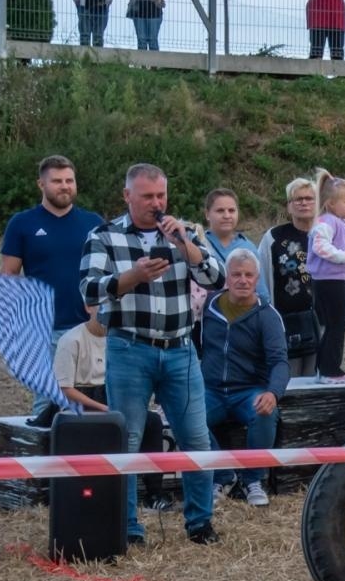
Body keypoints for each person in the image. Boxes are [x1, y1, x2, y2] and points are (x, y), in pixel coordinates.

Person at [80, 162, 225, 547]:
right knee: (126, 440)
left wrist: (186, 245)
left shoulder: (186, 233)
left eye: (161, 195)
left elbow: (217, 280)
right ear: (127, 196)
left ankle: (200, 523)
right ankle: (128, 526)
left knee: (196, 439)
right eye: (147, 196)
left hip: (180, 349)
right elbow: (90, 291)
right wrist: (133, 277)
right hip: (130, 348)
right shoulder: (104, 236)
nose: (156, 203)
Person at [1, 155, 105, 418]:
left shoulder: (93, 223)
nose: (64, 186)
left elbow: (107, 273)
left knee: (95, 398)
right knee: (48, 403)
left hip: (90, 329)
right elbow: (9, 275)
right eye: (57, 181)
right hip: (45, 330)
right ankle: (46, 456)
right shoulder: (22, 224)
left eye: (69, 180)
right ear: (41, 184)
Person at [53, 306, 170, 509]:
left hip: (112, 394)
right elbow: (64, 389)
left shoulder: (122, 341)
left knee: (151, 422)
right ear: (89, 308)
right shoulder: (71, 340)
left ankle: (154, 493)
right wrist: (104, 408)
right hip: (81, 403)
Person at [202, 249, 289, 505]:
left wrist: (273, 392)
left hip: (248, 390)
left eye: (249, 275)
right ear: (226, 278)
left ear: (257, 278)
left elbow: (280, 361)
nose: (243, 280)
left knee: (264, 410)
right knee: (185, 416)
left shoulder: (267, 315)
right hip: (211, 389)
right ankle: (222, 475)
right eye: (237, 274)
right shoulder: (207, 307)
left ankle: (253, 480)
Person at [258, 177, 320, 378]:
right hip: (284, 323)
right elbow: (262, 278)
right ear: (289, 206)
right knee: (287, 379)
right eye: (298, 199)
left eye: (309, 199)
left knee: (316, 380)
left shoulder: (328, 234)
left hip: (320, 321)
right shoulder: (274, 237)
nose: (304, 203)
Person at [309, 172, 345, 384]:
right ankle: (329, 370)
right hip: (328, 281)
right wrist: (343, 257)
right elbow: (320, 246)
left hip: (339, 280)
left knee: (337, 325)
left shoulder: (341, 222)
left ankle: (325, 367)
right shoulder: (325, 223)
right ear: (331, 204)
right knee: (336, 325)